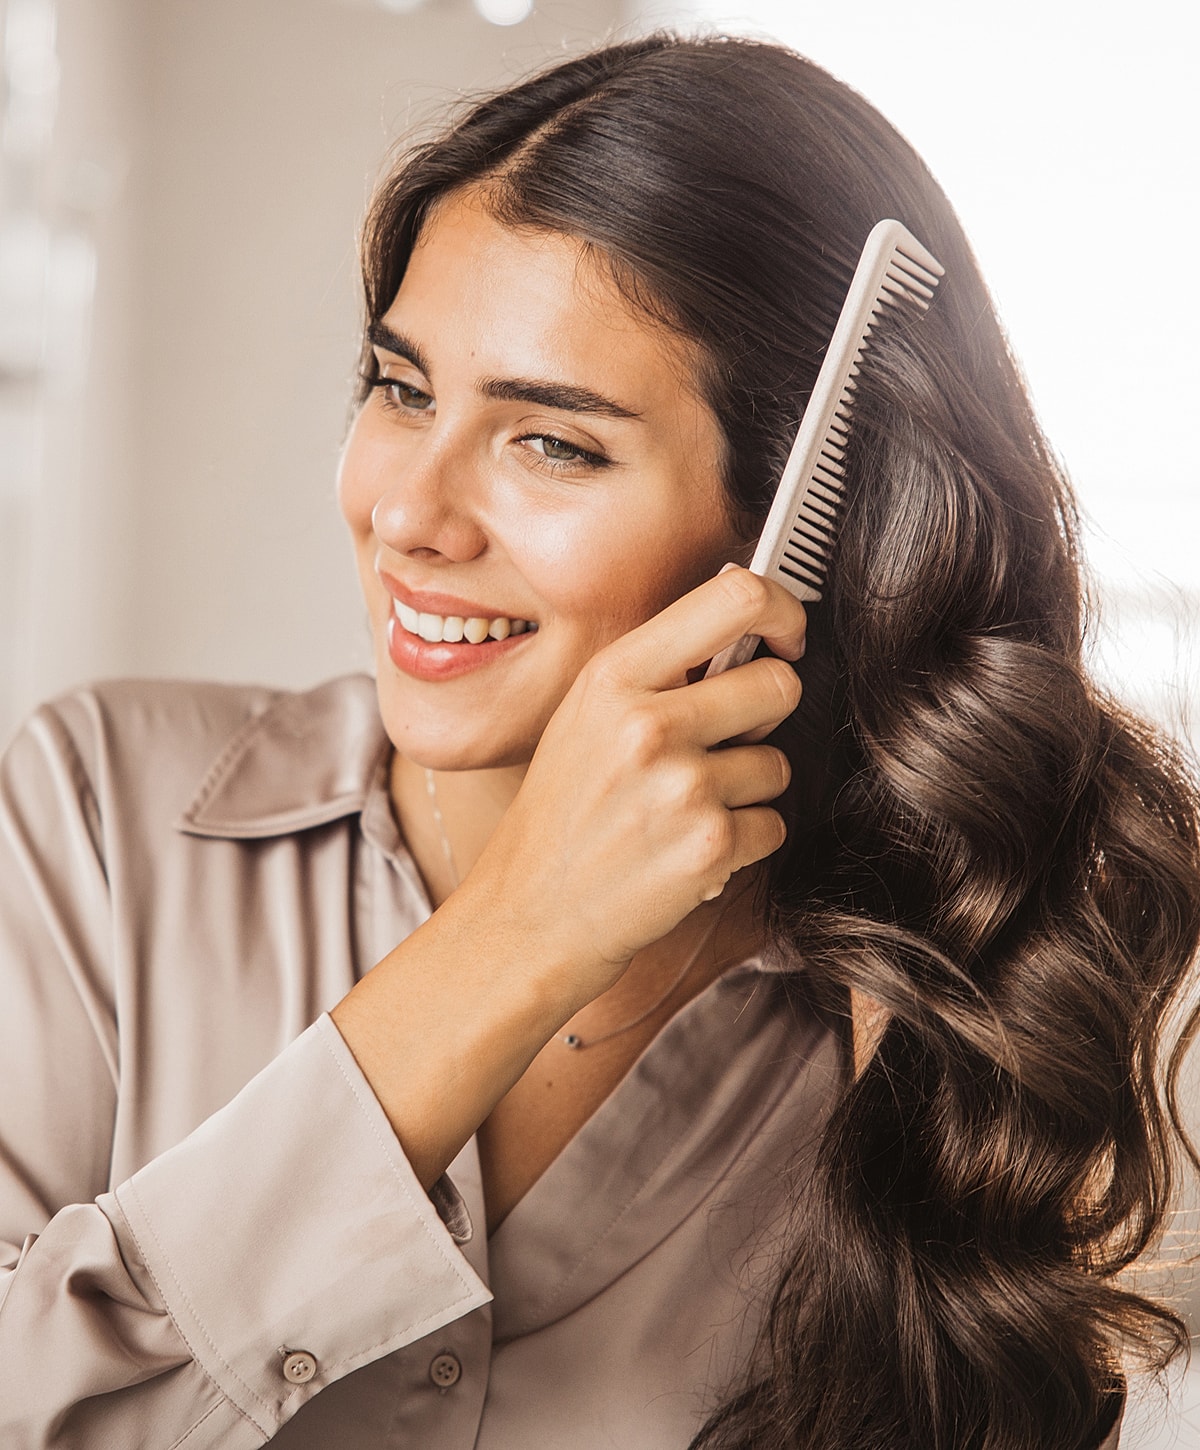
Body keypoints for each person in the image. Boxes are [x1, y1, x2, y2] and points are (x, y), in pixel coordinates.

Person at [1, 31, 1197, 1450]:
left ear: (807, 525)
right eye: (401, 388)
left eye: (551, 444)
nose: (409, 511)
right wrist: (518, 934)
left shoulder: (975, 1002)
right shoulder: (92, 817)